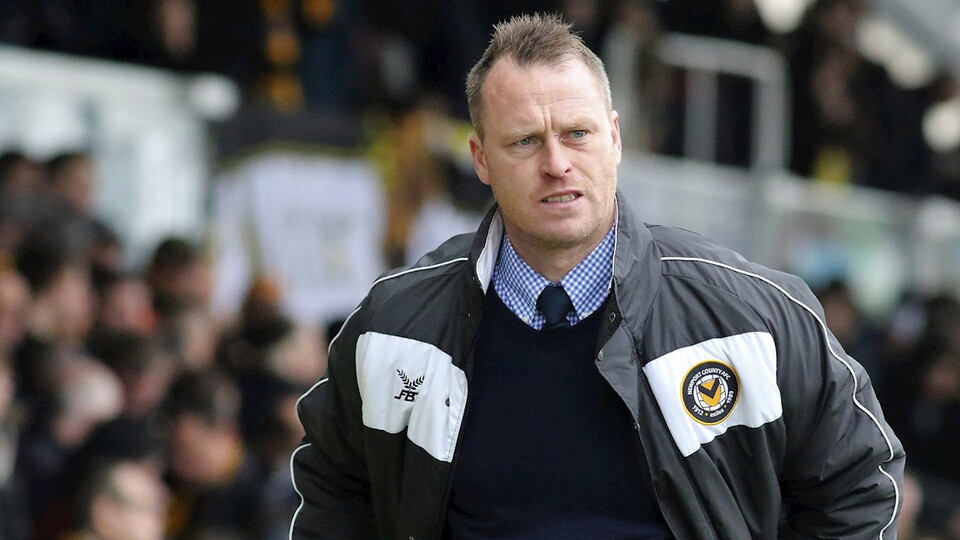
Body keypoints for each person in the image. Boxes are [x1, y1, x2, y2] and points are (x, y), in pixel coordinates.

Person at [290, 13, 904, 539]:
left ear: (614, 138)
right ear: (480, 158)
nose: (557, 163)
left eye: (577, 134)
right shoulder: (396, 326)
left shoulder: (752, 317)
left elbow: (859, 481)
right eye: (525, 141)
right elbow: (333, 493)